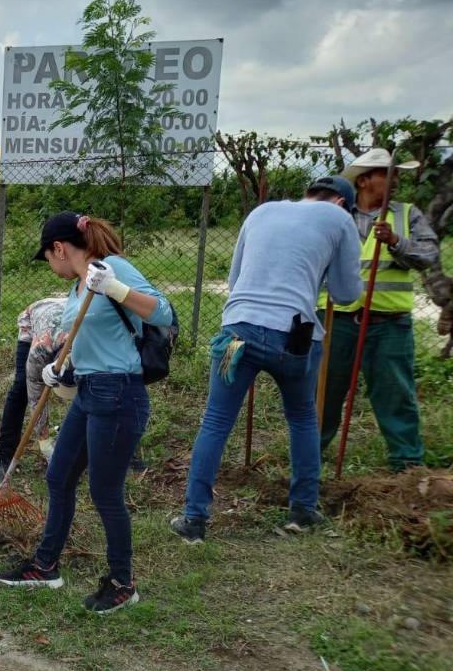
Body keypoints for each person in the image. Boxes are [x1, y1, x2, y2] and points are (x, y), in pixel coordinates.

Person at [169, 177, 363, 543]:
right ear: (341, 202)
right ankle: (302, 510)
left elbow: (234, 279)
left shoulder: (262, 211)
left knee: (216, 420)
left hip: (236, 332)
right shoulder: (339, 219)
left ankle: (194, 519)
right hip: (293, 337)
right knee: (302, 417)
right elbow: (347, 293)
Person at [0, 213, 171, 614]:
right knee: (59, 475)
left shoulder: (113, 269)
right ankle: (45, 566)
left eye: (47, 256)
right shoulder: (78, 285)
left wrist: (115, 288)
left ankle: (123, 583)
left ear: (59, 248)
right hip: (89, 390)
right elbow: (92, 338)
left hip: (119, 394)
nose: (50, 264)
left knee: (104, 492)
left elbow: (163, 312)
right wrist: (63, 370)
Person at [319, 149, 439, 471]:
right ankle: (310, 454)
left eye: (396, 173)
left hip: (388, 324)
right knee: (324, 389)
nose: (395, 179)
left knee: (395, 392)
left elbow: (429, 255)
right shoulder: (334, 214)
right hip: (336, 320)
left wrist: (397, 242)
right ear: (364, 180)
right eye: (388, 173)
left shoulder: (406, 214)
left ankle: (407, 463)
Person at [0, 298, 68, 483]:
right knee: (21, 389)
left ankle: (73, 454)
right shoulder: (40, 350)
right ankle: (6, 457)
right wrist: (44, 443)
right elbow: (35, 395)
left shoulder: (88, 350)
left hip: (67, 317)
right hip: (36, 318)